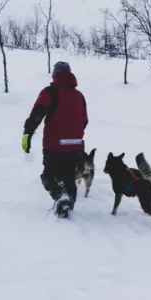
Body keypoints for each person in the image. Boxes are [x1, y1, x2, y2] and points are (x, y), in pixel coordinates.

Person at [22, 61, 88, 217]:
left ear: (55, 75)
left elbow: (37, 113)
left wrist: (28, 133)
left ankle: (61, 198)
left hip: (55, 146)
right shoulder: (79, 96)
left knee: (49, 176)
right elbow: (85, 121)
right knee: (68, 177)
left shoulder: (50, 92)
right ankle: (68, 206)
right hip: (76, 146)